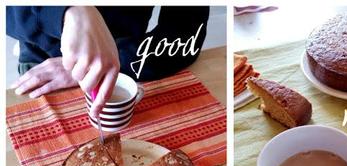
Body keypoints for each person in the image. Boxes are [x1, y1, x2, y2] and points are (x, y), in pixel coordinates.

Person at [7, 6, 209, 117]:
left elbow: (186, 33)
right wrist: (63, 11)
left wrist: (109, 60)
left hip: (129, 56)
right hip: (44, 62)